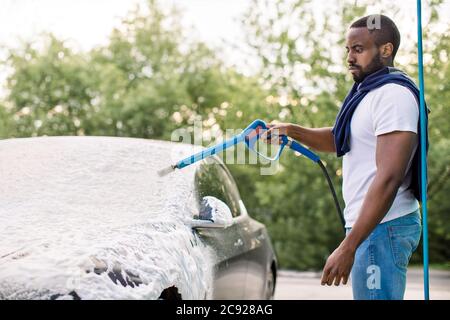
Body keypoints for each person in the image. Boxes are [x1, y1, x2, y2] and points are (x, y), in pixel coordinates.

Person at [263, 14, 427, 300]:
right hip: (372, 227)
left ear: (386, 50)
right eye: (348, 49)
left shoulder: (393, 96)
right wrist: (291, 130)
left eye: (359, 49)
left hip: (383, 226)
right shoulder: (369, 92)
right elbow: (342, 139)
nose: (350, 57)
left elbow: (389, 178)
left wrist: (348, 247)